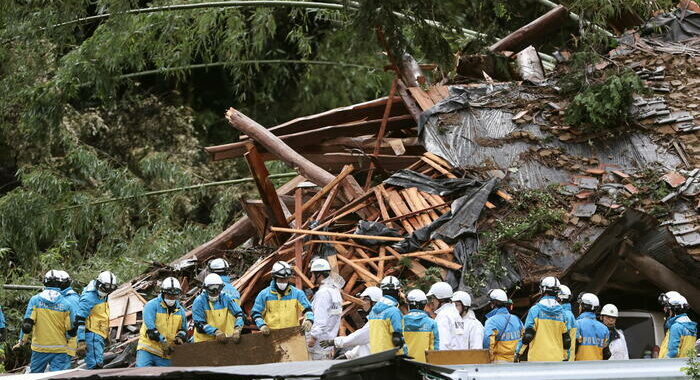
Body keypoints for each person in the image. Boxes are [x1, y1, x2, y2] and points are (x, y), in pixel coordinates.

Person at [13, 270, 74, 373]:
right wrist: (72, 347)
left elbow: (27, 324)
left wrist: (21, 342)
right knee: (58, 377)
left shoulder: (35, 300)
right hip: (59, 349)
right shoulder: (66, 304)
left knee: (35, 376)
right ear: (60, 283)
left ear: (45, 282)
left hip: (39, 348)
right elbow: (71, 329)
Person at [136, 277, 188, 367]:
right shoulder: (151, 306)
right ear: (163, 293)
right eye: (169, 295)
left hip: (166, 353)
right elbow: (151, 330)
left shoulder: (180, 311)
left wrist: (180, 337)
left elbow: (183, 329)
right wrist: (163, 341)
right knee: (141, 373)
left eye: (175, 296)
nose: (172, 298)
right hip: (148, 349)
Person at [516, 276, 570, 362]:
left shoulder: (535, 310)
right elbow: (566, 339)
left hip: (537, 360)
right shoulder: (562, 313)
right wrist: (566, 356)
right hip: (557, 359)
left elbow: (528, 335)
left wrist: (518, 353)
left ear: (543, 289)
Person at [251, 261, 314, 334]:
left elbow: (308, 310)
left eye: (286, 279)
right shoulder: (264, 295)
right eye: (281, 279)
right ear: (274, 278)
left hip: (292, 336)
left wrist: (309, 320)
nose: (284, 282)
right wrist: (262, 325)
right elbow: (256, 313)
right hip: (271, 336)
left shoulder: (297, 294)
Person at [320, 286, 382, 359]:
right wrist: (349, 355)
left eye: (365, 300)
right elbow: (365, 343)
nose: (363, 303)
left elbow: (358, 337)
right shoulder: (377, 317)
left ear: (373, 302)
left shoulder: (377, 320)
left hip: (375, 360)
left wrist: (334, 342)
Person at [73, 271, 118, 369]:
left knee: (98, 363)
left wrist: (105, 334)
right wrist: (81, 340)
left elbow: (101, 315)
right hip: (92, 335)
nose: (106, 292)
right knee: (95, 366)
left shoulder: (103, 295)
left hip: (99, 334)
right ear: (99, 284)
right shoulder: (89, 297)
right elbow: (79, 319)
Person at [306, 259, 343, 360]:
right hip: (327, 343)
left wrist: (312, 338)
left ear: (319, 274)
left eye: (313, 274)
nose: (311, 276)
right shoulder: (335, 290)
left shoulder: (323, 293)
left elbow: (321, 318)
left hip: (317, 345)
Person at [192, 273, 244, 344]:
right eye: (212, 290)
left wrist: (238, 328)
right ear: (206, 288)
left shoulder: (226, 298)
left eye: (218, 289)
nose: (215, 293)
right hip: (204, 341)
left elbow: (239, 314)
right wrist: (215, 331)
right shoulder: (199, 301)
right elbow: (199, 323)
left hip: (224, 339)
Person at [483, 289, 523, 363]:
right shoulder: (516, 319)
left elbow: (487, 343)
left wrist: (490, 360)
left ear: (493, 303)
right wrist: (517, 354)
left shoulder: (491, 321)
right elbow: (523, 338)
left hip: (498, 362)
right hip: (514, 362)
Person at [368, 276, 405, 354]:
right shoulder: (394, 312)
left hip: (374, 355)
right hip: (390, 358)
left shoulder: (373, 311)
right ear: (397, 291)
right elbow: (397, 340)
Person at [403, 289, 439, 362]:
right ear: (424, 304)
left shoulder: (401, 321)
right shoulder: (432, 323)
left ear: (409, 304)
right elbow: (434, 349)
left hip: (405, 365)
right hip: (424, 366)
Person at [427, 282, 465, 350]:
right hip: (459, 356)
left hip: (446, 358)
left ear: (440, 299)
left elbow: (442, 344)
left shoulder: (443, 316)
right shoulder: (455, 314)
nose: (432, 301)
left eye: (433, 298)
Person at [575, 292, 609, 361]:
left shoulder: (577, 324)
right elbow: (606, 354)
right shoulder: (604, 329)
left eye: (580, 305)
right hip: (597, 368)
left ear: (583, 307)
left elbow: (572, 349)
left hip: (579, 368)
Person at [662, 293, 697, 358]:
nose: (665, 310)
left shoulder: (676, 327)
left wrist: (663, 364)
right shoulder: (691, 326)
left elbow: (673, 352)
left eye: (667, 309)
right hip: (686, 365)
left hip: (673, 366)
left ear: (674, 310)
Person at [56, 271, 79, 370]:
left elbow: (75, 323)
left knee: (62, 371)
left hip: (67, 342)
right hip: (61, 342)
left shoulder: (71, 299)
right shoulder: (62, 298)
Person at [558, 284, 577, 361]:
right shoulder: (570, 314)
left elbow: (566, 339)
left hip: (564, 358)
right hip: (568, 358)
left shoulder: (565, 314)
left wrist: (565, 357)